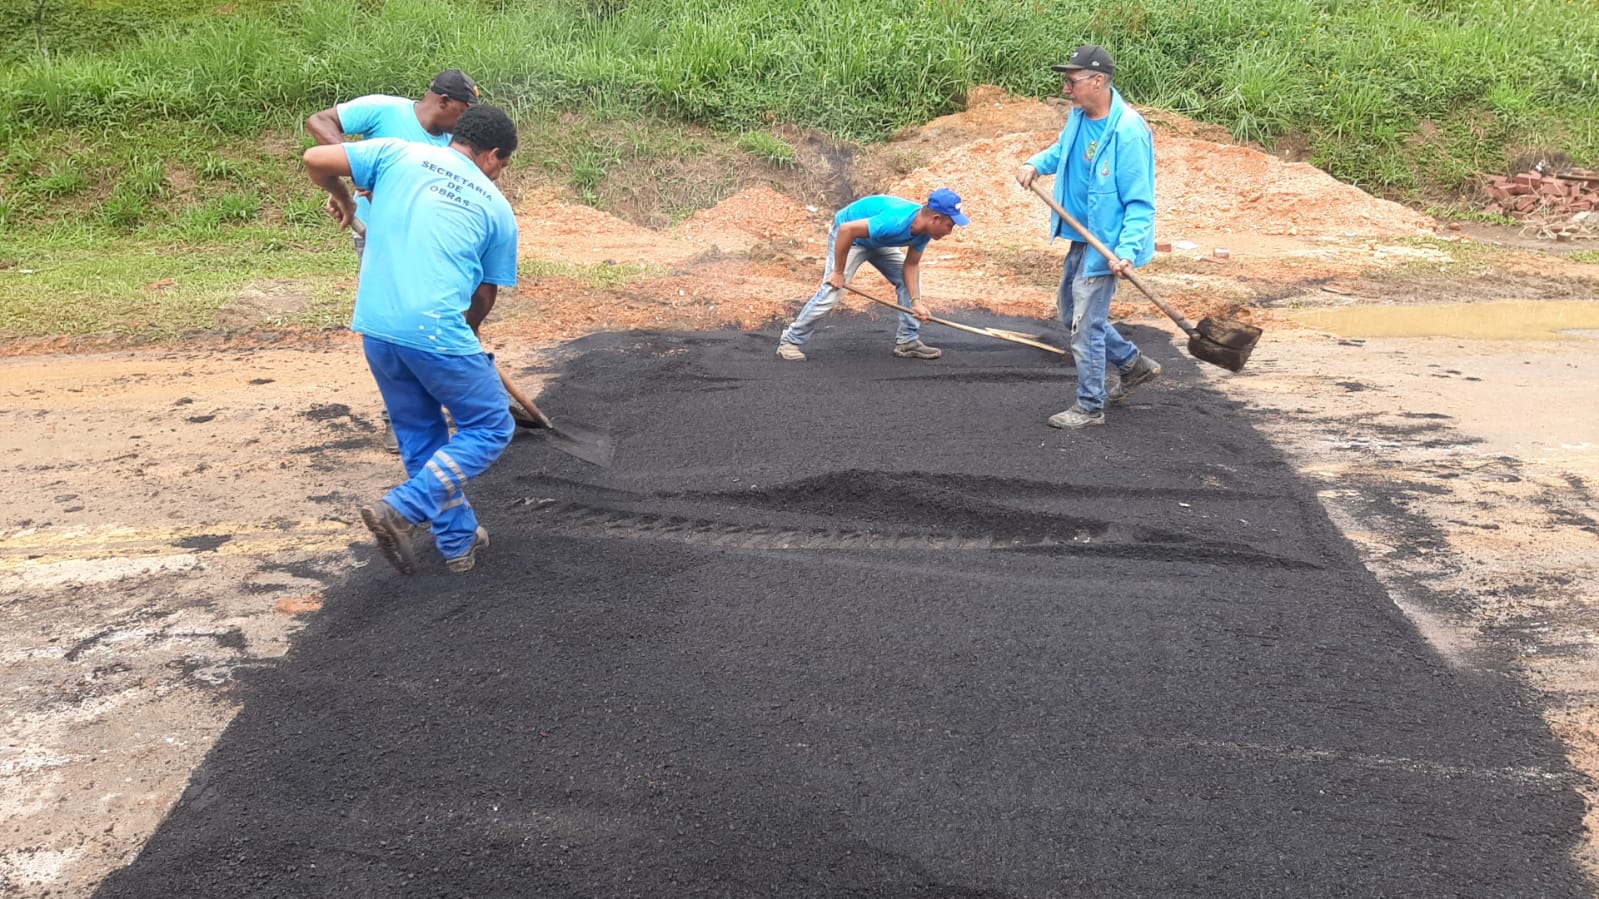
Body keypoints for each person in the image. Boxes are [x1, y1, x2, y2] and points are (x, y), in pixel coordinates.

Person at [302, 104, 519, 575]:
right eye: (504, 165)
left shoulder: (397, 153)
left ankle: (458, 543)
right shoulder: (497, 209)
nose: (501, 175)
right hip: (435, 329)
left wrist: (346, 198)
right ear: (494, 155)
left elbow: (315, 159)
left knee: (421, 434)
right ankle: (402, 508)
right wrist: (466, 342)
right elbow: (483, 295)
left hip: (377, 329)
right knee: (491, 426)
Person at [307, 69, 483, 453]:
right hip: (378, 240)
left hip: (431, 246)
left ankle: (465, 397)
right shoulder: (383, 110)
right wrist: (351, 170)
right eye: (465, 110)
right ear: (444, 102)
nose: (466, 120)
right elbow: (319, 122)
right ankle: (399, 418)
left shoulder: (454, 144)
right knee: (393, 326)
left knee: (436, 318)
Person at [1015, 45, 1161, 429]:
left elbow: (1140, 204)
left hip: (1108, 246)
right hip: (1082, 235)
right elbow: (1063, 152)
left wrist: (1126, 252)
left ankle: (1090, 406)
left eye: (1072, 81)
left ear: (1098, 81)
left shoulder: (1128, 132)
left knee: (1085, 326)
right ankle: (1133, 364)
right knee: (1069, 312)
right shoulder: (1079, 116)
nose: (1066, 89)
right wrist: (1035, 164)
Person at [775, 188, 969, 361]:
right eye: (949, 225)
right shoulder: (894, 221)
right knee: (832, 291)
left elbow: (911, 265)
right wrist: (838, 272)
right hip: (852, 238)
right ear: (935, 219)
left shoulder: (925, 231)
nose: (949, 232)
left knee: (907, 282)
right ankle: (790, 342)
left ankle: (907, 342)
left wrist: (916, 301)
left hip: (878, 240)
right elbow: (846, 230)